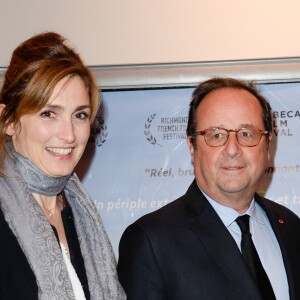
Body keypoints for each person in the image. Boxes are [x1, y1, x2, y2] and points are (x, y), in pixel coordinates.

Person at [117, 77, 300, 299]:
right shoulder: (151, 241)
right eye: (216, 135)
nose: (232, 149)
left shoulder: (290, 227)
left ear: (268, 146)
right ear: (192, 148)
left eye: (247, 133)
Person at [0, 32, 125, 300]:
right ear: (9, 120)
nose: (69, 134)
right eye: (49, 113)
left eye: (79, 115)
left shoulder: (81, 214)